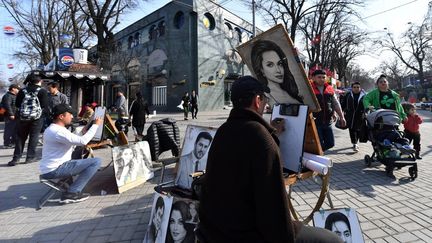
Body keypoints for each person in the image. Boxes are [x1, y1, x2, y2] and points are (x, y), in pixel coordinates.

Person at [198, 76, 342, 242]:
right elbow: (274, 210)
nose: (267, 104)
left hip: (214, 228)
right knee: (333, 240)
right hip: (244, 233)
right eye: (265, 99)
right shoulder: (261, 139)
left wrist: (271, 130)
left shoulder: (224, 130)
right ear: (257, 100)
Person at [39, 104, 102, 203]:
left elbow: (75, 139)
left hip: (50, 167)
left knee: (78, 153)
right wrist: (95, 125)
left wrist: (84, 130)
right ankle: (72, 192)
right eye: (70, 114)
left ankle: (68, 184)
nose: (72, 116)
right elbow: (82, 141)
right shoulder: (58, 131)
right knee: (96, 162)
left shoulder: (54, 128)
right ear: (61, 116)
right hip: (55, 169)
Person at [8, 74, 49, 166]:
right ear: (39, 81)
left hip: (23, 117)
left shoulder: (22, 91)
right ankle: (30, 157)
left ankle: (16, 158)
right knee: (34, 137)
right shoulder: (42, 91)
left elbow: (17, 104)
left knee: (20, 137)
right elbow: (45, 106)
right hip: (37, 118)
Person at [251, 39, 303, 106]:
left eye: (280, 64)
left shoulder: (291, 91)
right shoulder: (263, 97)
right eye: (270, 65)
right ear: (261, 70)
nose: (278, 70)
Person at [311, 69, 346, 151]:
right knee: (318, 143)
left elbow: (335, 103)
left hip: (328, 121)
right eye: (319, 77)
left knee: (330, 143)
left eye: (323, 77)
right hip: (315, 122)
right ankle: (318, 157)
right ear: (313, 78)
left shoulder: (329, 88)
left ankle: (318, 153)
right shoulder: (309, 88)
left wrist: (341, 117)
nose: (322, 79)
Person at [341, 82, 366, 152]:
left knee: (358, 130)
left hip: (360, 115)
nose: (356, 89)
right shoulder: (348, 95)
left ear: (360, 88)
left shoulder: (364, 95)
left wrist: (366, 112)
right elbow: (343, 104)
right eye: (354, 87)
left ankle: (356, 141)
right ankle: (354, 143)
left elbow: (367, 105)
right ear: (352, 88)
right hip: (350, 116)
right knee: (351, 129)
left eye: (358, 87)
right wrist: (340, 113)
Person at [1, 84, 20, 148]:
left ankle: (13, 143)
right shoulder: (8, 96)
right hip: (10, 116)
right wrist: (11, 114)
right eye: (17, 89)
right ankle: (6, 144)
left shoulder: (13, 96)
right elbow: (7, 106)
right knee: (9, 130)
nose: (18, 90)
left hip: (14, 115)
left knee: (14, 130)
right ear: (13, 89)